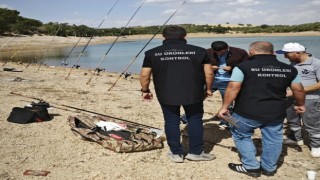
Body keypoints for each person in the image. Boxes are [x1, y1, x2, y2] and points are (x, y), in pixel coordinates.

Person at [218, 41, 306, 177]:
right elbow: (298, 89)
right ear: (273, 52)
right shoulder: (290, 69)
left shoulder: (242, 67)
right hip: (275, 113)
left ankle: (251, 167)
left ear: (251, 52)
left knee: (241, 135)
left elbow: (233, 88)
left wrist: (224, 107)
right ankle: (269, 168)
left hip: (245, 113)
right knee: (273, 139)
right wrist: (300, 105)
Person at [139, 25, 215, 163]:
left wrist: (145, 90)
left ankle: (176, 153)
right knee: (195, 120)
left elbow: (145, 75)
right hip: (193, 93)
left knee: (171, 121)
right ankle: (196, 153)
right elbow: (209, 73)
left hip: (166, 93)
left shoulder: (152, 53)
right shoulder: (200, 51)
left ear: (164, 37)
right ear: (185, 36)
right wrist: (208, 89)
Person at [276, 42, 320, 158]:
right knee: (292, 120)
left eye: (287, 54)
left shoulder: (316, 63)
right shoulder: (293, 64)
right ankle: (296, 138)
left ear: (298, 53)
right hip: (291, 98)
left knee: (312, 122)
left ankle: (316, 146)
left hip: (310, 98)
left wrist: (299, 91)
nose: (285, 57)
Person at [207, 41, 249, 129]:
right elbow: (200, 64)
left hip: (229, 81)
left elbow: (247, 65)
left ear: (227, 48)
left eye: (222, 52)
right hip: (211, 80)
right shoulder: (208, 52)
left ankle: (226, 123)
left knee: (227, 104)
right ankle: (188, 117)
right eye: (217, 52)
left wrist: (233, 68)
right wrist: (209, 66)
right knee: (196, 98)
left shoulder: (240, 52)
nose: (219, 54)